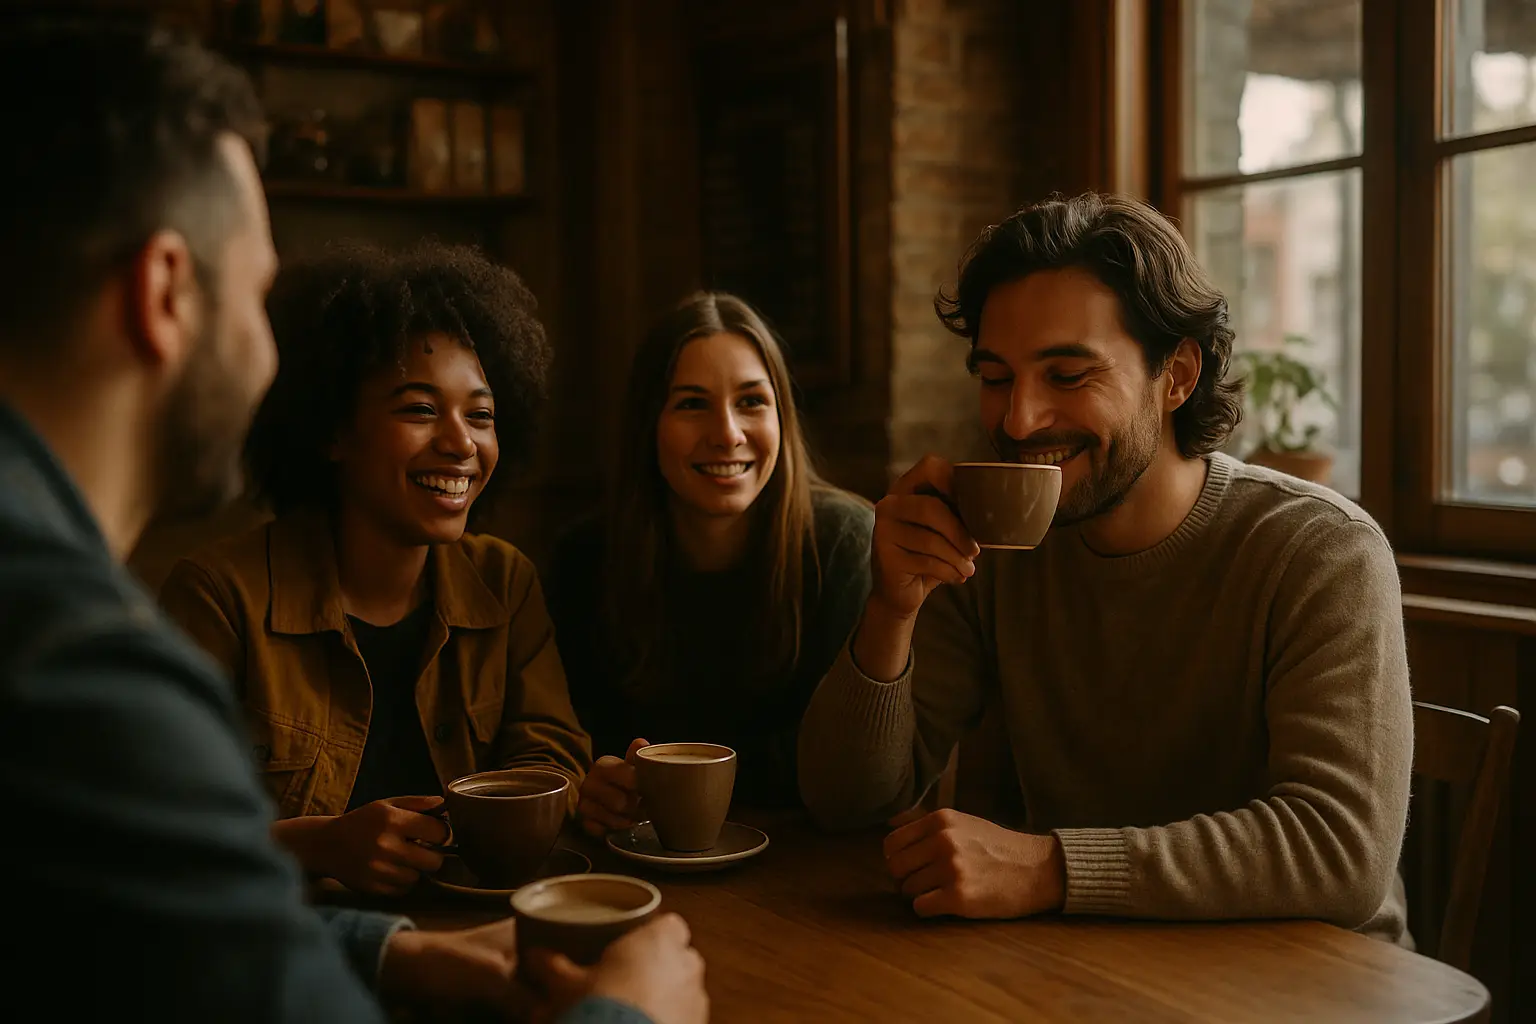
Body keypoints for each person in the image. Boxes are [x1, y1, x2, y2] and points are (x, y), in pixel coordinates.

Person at [0, 18, 703, 1023]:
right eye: (254, 295)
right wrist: (632, 1011)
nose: (267, 356)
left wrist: (399, 955)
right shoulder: (75, 659)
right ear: (164, 293)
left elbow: (174, 924)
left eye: (481, 413)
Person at [797, 193, 1414, 945]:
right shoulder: (995, 548)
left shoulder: (1319, 550)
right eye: (996, 377)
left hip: (1316, 987)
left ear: (1177, 374)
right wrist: (891, 611)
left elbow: (1341, 854)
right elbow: (847, 802)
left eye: (1067, 375)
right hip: (1089, 969)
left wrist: (1049, 868)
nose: (1018, 421)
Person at [160, 241, 592, 897]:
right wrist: (319, 845)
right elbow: (164, 826)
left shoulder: (505, 582)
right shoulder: (220, 596)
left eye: (480, 415)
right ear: (333, 432)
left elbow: (551, 748)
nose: (460, 443)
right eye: (420, 409)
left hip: (475, 927)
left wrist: (514, 807)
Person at [548, 292, 873, 833]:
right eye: (692, 403)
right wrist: (594, 781)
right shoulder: (585, 557)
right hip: (638, 853)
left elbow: (844, 764)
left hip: (810, 857)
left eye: (751, 401)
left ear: (781, 415)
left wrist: (664, 775)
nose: (727, 433)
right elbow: (574, 738)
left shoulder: (846, 544)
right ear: (648, 423)